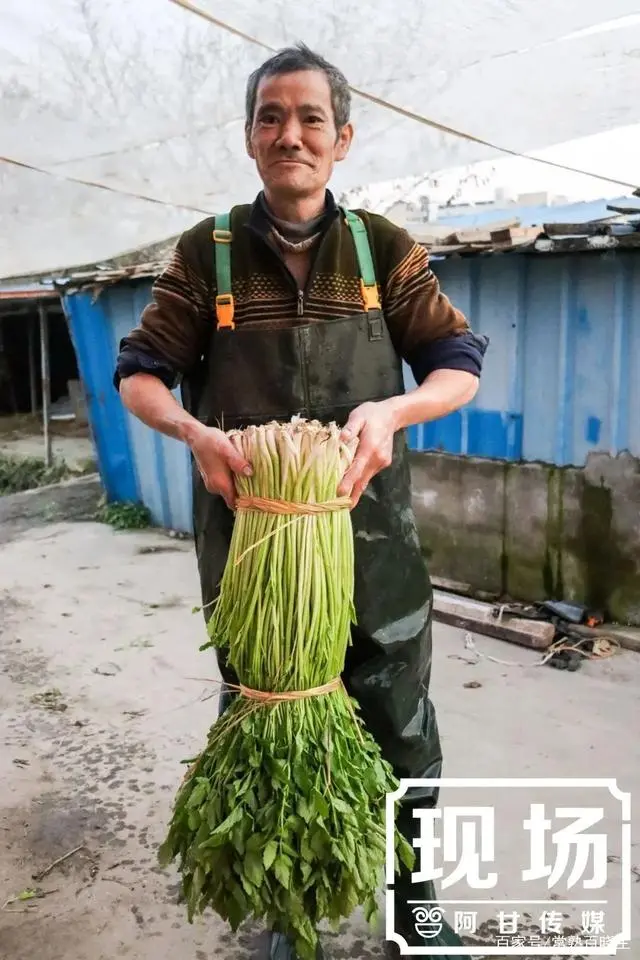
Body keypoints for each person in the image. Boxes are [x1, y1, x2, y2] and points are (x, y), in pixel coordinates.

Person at [114, 43, 487, 960]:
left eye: (310, 118)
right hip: (255, 542)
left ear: (342, 138)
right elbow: (140, 372)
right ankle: (285, 908)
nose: (291, 134)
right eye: (271, 117)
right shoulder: (207, 254)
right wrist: (197, 435)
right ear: (250, 139)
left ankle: (412, 897)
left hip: (372, 540)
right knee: (266, 704)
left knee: (399, 716)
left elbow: (458, 363)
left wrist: (395, 409)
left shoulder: (382, 249)